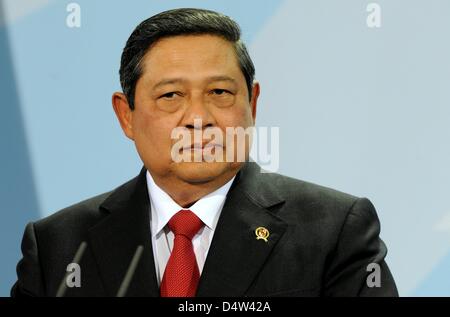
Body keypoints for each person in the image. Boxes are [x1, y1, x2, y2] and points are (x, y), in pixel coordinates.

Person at [11, 8, 398, 297]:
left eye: (219, 93)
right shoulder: (57, 246)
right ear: (126, 115)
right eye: (171, 95)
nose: (198, 118)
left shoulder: (335, 231)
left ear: (253, 104)